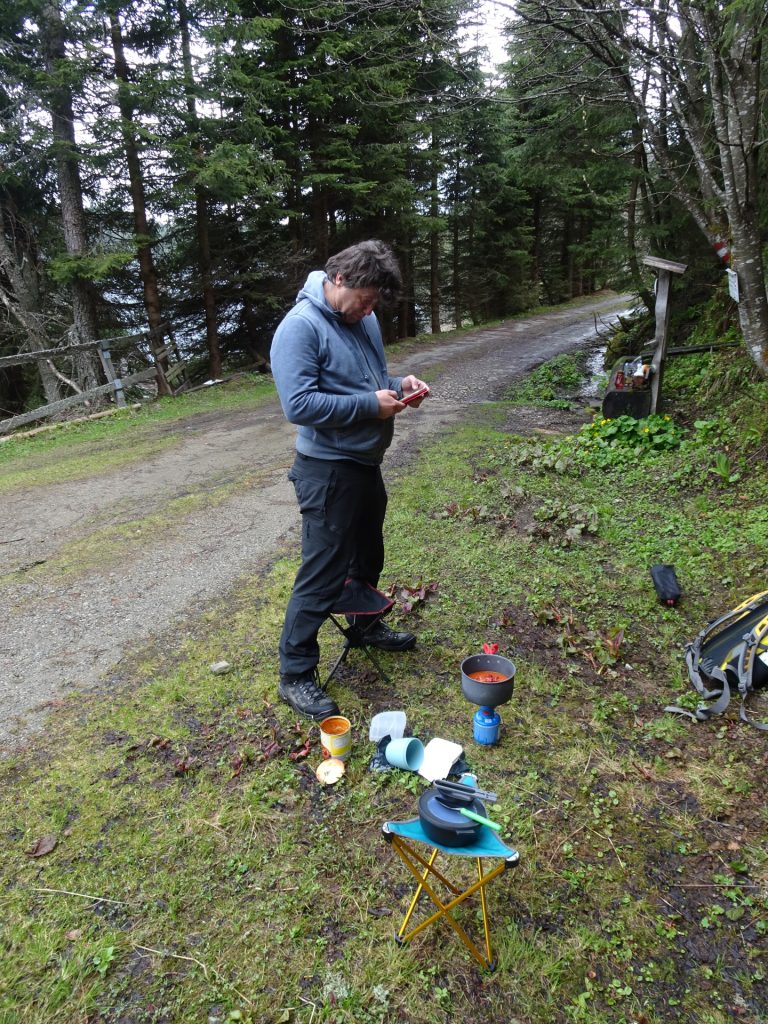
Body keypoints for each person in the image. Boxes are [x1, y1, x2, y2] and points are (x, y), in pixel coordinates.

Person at [270, 240, 429, 720]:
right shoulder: (299, 328)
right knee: (322, 572)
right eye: (366, 297)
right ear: (338, 279)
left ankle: (365, 626)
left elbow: (368, 378)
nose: (371, 308)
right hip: (327, 472)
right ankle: (295, 674)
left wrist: (399, 385)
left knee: (367, 554)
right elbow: (298, 406)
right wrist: (369, 406)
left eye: (377, 300)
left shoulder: (364, 318)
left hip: (365, 463)